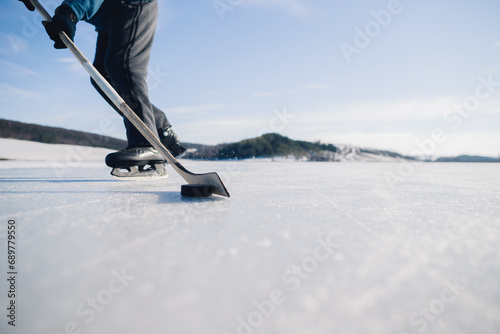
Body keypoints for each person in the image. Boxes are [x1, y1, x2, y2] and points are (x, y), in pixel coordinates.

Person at [19, 0, 185, 175]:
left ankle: (147, 143)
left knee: (122, 66)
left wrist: (70, 11)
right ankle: (161, 132)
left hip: (133, 5)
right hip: (109, 18)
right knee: (102, 78)